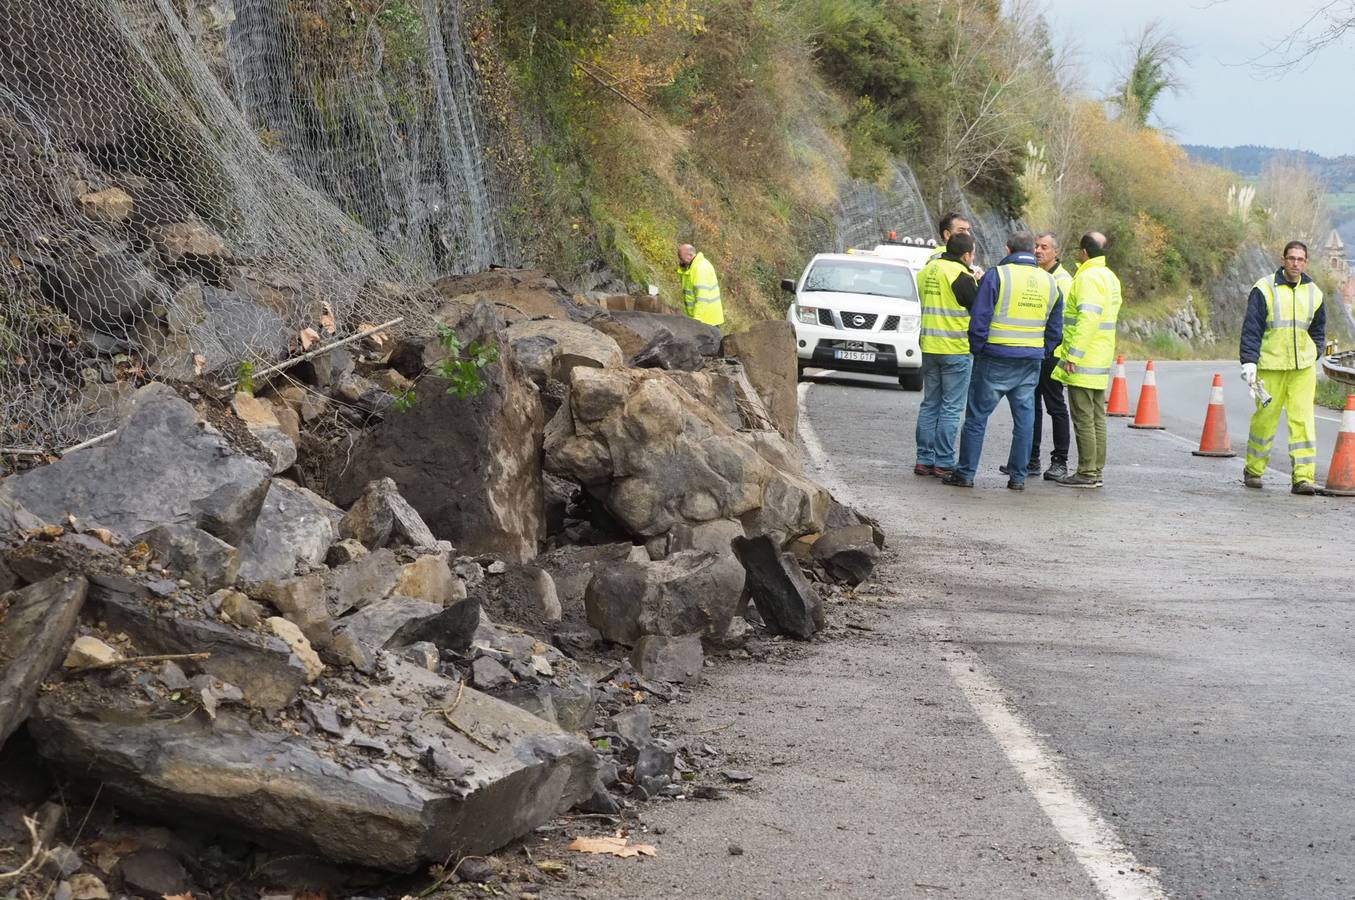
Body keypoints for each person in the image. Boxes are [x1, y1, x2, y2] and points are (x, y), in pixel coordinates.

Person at [942, 231, 1062, 491]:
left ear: (1008, 249)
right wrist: (1043, 351)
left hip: (995, 358)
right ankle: (1018, 478)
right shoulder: (1050, 282)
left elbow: (980, 317)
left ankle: (965, 474)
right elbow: (1055, 328)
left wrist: (978, 349)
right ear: (1031, 251)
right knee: (1024, 421)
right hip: (1030, 360)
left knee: (976, 418)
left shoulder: (998, 275)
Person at [1240, 240, 1326, 494]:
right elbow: (1252, 328)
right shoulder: (1264, 289)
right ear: (1283, 259)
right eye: (1291, 258)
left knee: (1303, 421)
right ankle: (1254, 471)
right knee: (1265, 420)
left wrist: (1315, 351)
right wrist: (1249, 361)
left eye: (1300, 259)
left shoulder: (1314, 293)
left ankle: (1303, 478)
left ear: (1305, 262)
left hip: (1302, 370)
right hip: (1270, 367)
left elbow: (1319, 330)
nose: (1295, 263)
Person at [1051, 232, 1122, 488]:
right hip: (1100, 356)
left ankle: (1087, 472)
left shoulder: (1088, 277)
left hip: (1083, 359)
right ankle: (1096, 470)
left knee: (1083, 417)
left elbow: (1087, 318)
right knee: (1097, 416)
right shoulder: (1110, 277)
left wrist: (1073, 354)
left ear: (1083, 252)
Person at [914, 232, 980, 477]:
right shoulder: (961, 275)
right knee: (951, 408)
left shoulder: (927, 271)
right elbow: (977, 307)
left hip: (929, 346)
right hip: (955, 349)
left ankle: (923, 459)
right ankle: (943, 462)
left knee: (930, 403)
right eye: (972, 255)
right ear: (966, 255)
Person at [1023, 232, 1074, 480]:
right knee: (1031, 404)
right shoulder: (1035, 275)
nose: (1038, 250)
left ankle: (1060, 461)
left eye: (1044, 247)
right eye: (1036, 246)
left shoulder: (1063, 280)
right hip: (1033, 349)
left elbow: (1060, 321)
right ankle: (1031, 459)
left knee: (1055, 405)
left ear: (1056, 252)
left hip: (1053, 351)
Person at [677, 243, 725, 327]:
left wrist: (696, 321)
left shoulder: (700, 269)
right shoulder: (691, 267)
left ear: (689, 256)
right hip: (701, 318)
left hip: (707, 320)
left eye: (681, 258)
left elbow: (702, 298)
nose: (680, 261)